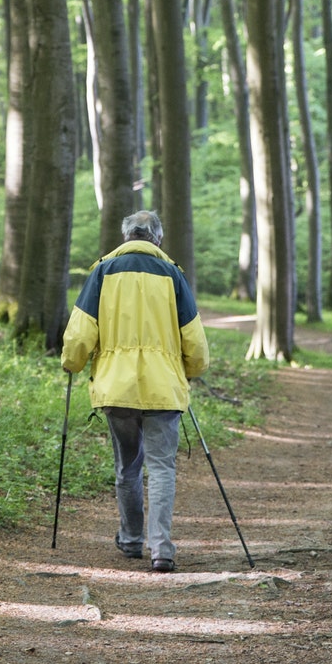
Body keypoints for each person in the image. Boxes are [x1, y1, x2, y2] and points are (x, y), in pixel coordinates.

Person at [61, 209, 209, 573]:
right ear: (157, 239)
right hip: (163, 388)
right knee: (161, 467)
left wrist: (72, 362)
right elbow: (195, 342)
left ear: (126, 236)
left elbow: (80, 335)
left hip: (117, 388)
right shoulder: (173, 274)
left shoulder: (103, 271)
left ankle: (129, 541)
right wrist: (188, 371)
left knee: (128, 464)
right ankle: (162, 550)